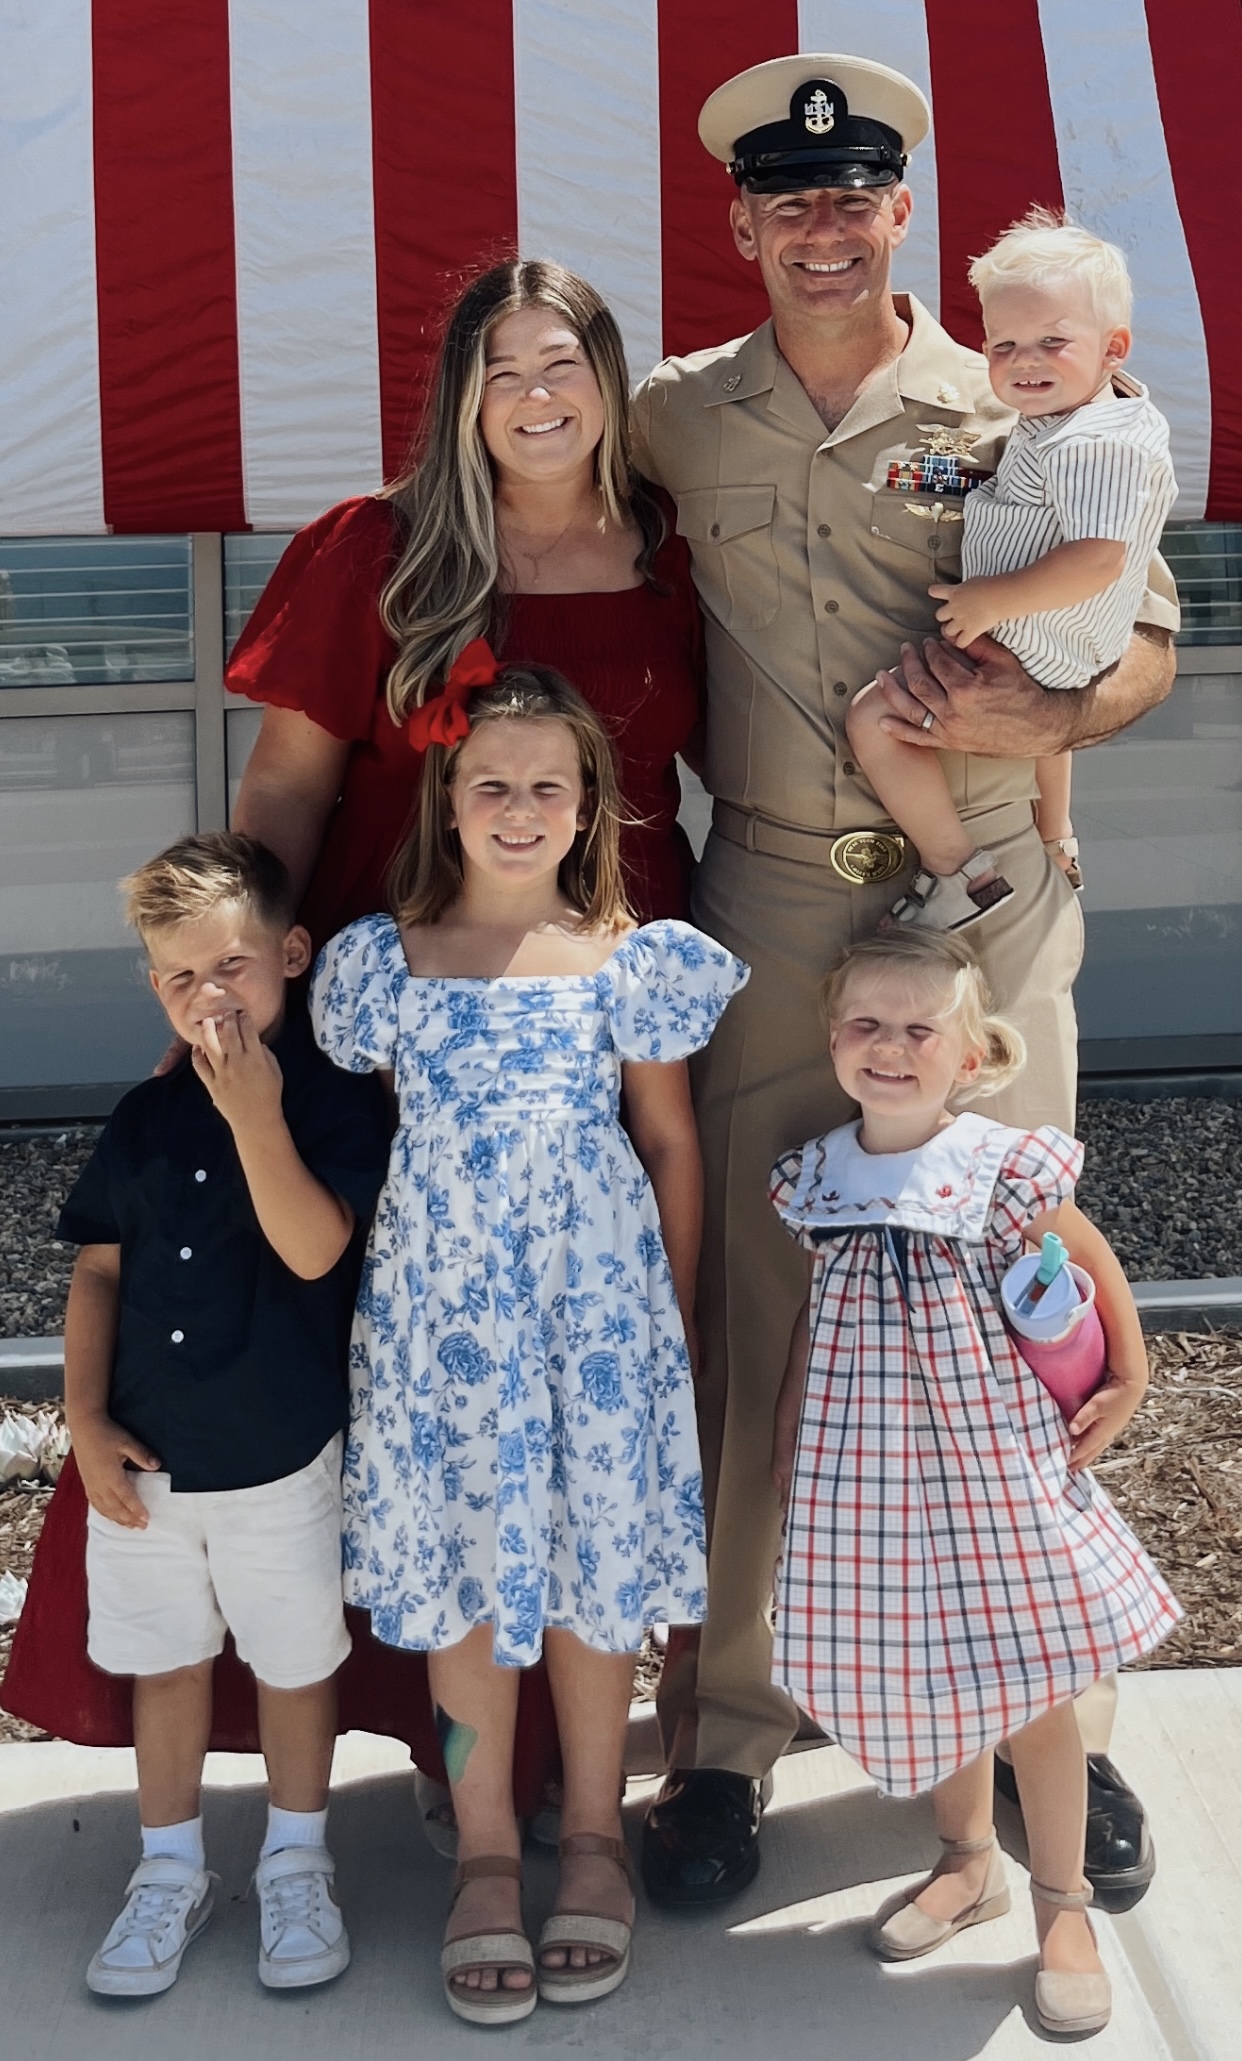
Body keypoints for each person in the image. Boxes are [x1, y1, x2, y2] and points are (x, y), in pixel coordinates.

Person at [3, 258, 704, 1828]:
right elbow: (282, 793)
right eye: (499, 368)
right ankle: (406, 1759)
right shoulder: (376, 553)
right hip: (374, 1013)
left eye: (563, 363)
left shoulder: (672, 555)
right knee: (371, 1374)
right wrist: (235, 992)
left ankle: (557, 1786)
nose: (534, 396)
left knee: (566, 1410)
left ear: (609, 381)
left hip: (586, 1017)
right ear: (457, 394)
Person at [631, 52, 1179, 1911]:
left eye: (851, 196)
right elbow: (546, 528)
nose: (821, 227)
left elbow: (1144, 634)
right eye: (785, 200)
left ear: (899, 214)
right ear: (740, 223)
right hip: (776, 900)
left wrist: (1056, 714)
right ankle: (725, 1736)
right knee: (758, 1316)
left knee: (1018, 1314)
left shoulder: (1013, 400)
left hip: (984, 896)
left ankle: (1048, 1735)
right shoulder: (675, 416)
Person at [310, 658, 746, 2023]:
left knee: (589, 1573)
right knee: (465, 1580)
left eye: (545, 786)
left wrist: (670, 1322)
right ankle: (487, 1849)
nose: (516, 808)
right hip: (441, 1328)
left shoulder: (628, 961)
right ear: (446, 800)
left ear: (588, 804)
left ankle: (598, 1837)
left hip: (596, 1320)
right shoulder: (385, 963)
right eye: (490, 784)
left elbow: (668, 1145)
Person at [769, 928, 1179, 2037]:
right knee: (923, 1673)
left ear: (971, 1054)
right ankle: (964, 1861)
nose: (891, 1047)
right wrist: (790, 1434)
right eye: (866, 1024)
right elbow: (815, 1315)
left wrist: (1131, 1371)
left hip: (990, 1468)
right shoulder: (817, 1177)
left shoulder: (998, 1166)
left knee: (1031, 1688)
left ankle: (1063, 1904)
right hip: (868, 1478)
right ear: (832, 1039)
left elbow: (1086, 1258)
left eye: (921, 1029)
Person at [55, 833, 391, 1997]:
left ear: (292, 956)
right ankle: (168, 1870)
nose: (210, 998)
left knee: (294, 1664)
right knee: (166, 1664)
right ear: (155, 985)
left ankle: (297, 1861)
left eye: (234, 967)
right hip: (145, 1461)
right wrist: (83, 1421)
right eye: (182, 977)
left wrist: (257, 1116)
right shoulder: (142, 1118)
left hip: (280, 1456)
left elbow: (315, 1250)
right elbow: (98, 1272)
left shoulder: (336, 1103)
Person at [847, 211, 1177, 928]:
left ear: (1114, 348)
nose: (1025, 361)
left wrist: (992, 600)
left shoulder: (1094, 443)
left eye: (1052, 342)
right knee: (1047, 731)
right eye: (1004, 345)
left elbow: (1099, 558)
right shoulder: (1077, 416)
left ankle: (958, 871)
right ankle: (1058, 838)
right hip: (1061, 646)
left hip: (1033, 637)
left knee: (873, 718)